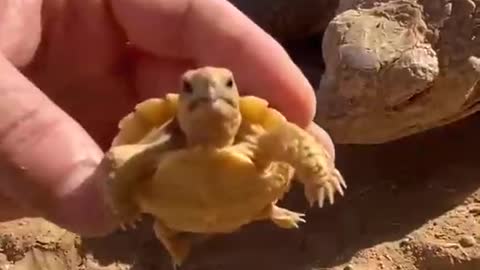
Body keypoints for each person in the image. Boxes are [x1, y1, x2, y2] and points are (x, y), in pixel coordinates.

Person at [0, 0, 335, 237]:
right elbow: (118, 161)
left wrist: (317, 172)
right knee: (166, 229)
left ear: (235, 94)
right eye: (191, 88)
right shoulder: (158, 145)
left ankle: (266, 210)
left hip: (251, 201)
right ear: (182, 96)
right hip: (175, 214)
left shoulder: (262, 140)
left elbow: (292, 140)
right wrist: (115, 197)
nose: (210, 94)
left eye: (227, 85)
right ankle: (171, 238)